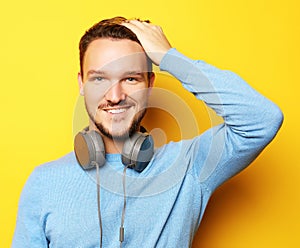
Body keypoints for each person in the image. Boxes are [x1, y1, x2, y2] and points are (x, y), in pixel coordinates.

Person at [12, 16, 283, 248]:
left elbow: (262, 119)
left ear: (150, 83)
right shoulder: (44, 183)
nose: (114, 96)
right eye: (99, 79)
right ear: (82, 83)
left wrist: (170, 59)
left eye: (130, 78)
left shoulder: (190, 167)